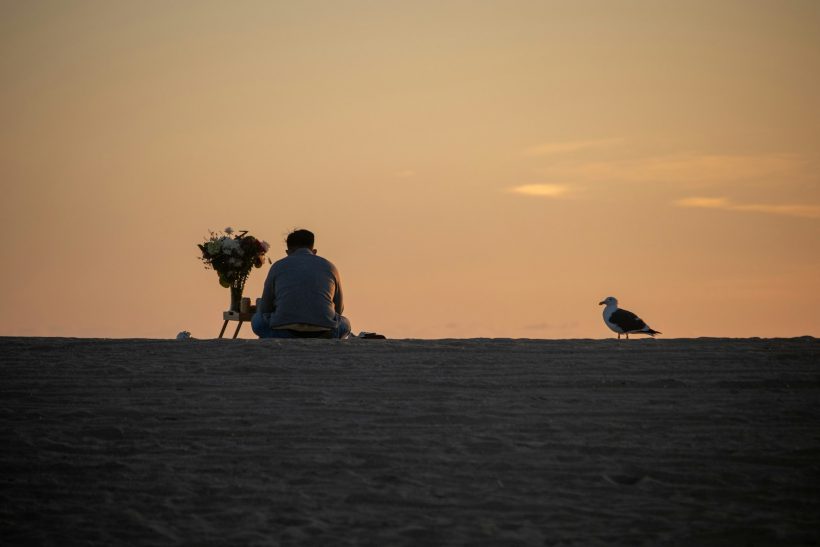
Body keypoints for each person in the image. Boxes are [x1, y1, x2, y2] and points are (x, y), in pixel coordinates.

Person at [251, 229, 351, 339]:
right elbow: (339, 309)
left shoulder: (277, 266)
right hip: (324, 332)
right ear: (314, 251)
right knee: (346, 323)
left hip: (283, 332)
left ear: (288, 252)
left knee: (257, 320)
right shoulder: (330, 267)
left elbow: (265, 308)